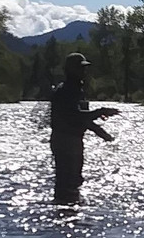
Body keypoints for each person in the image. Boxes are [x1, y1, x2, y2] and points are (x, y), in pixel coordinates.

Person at [50, 52, 119, 204]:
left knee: (73, 180)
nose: (84, 72)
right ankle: (66, 213)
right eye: (80, 68)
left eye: (84, 68)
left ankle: (66, 212)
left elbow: (82, 119)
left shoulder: (75, 90)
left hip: (71, 140)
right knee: (68, 181)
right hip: (65, 141)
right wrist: (100, 112)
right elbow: (75, 116)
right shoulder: (66, 91)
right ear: (70, 70)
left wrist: (102, 134)